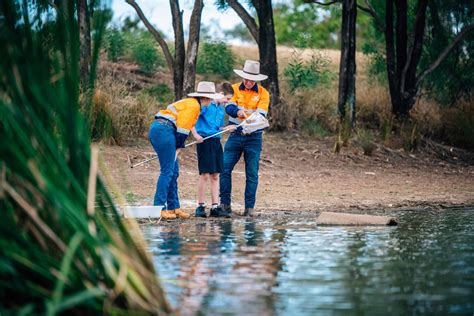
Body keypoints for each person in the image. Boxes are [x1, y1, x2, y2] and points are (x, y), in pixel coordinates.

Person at [149, 81, 223, 219]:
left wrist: (178, 146)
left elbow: (183, 129)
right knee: (167, 170)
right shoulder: (194, 106)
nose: (211, 101)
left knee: (174, 171)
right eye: (211, 98)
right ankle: (159, 208)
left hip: (166, 131)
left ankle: (173, 207)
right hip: (163, 130)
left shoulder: (194, 105)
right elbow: (182, 131)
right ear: (206, 98)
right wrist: (178, 147)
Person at [217, 60, 270, 217]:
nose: (248, 82)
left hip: (254, 137)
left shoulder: (264, 94)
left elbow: (260, 116)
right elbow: (228, 106)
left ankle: (249, 208)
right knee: (224, 168)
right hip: (234, 136)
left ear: (256, 80)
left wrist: (245, 117)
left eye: (251, 80)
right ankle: (225, 205)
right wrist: (237, 112)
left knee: (252, 173)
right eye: (246, 78)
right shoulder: (233, 88)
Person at [193, 82, 236, 218]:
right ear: (220, 94)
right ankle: (200, 206)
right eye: (227, 99)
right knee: (205, 174)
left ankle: (215, 207)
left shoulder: (221, 109)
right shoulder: (206, 105)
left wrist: (227, 128)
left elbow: (218, 127)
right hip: (204, 141)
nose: (227, 102)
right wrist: (196, 135)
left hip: (216, 142)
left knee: (216, 175)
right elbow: (191, 119)